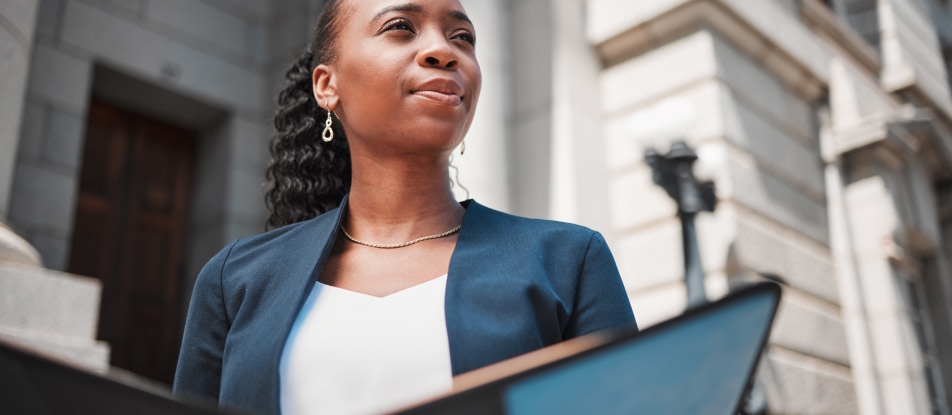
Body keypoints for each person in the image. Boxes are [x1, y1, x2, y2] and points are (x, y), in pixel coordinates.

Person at [173, 0, 636, 414]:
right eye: (400, 26)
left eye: (463, 37)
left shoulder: (569, 260)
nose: (444, 51)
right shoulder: (235, 279)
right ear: (326, 85)